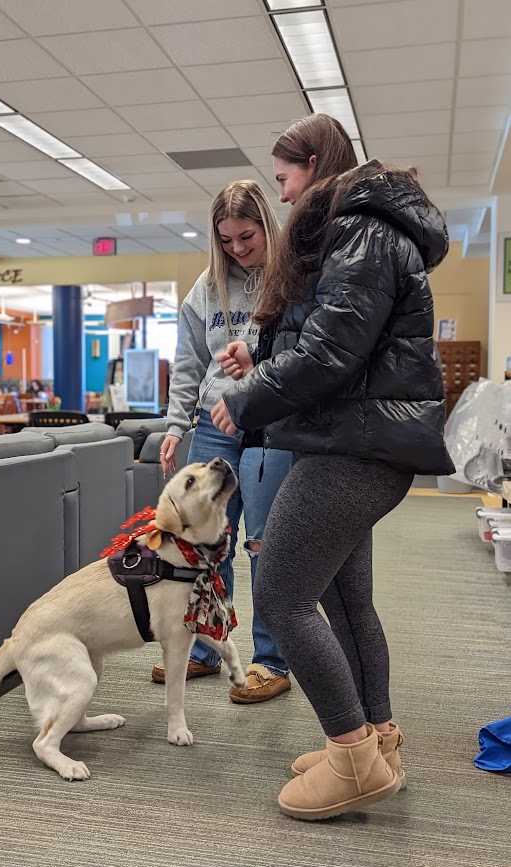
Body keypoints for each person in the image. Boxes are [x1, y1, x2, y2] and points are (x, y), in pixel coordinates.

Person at [212, 114, 454, 819]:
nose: (282, 195)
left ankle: (351, 760)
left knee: (281, 595)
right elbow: (334, 337)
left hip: (356, 445)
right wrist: (259, 356)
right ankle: (376, 742)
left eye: (284, 178)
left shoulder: (361, 230)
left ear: (314, 162)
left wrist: (247, 398)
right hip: (353, 439)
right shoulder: (357, 228)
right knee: (345, 602)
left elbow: (331, 353)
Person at [153, 180, 294, 704]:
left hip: (270, 424)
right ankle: (208, 648)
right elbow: (188, 360)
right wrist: (175, 426)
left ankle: (271, 660)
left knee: (264, 543)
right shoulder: (207, 287)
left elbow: (307, 354)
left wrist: (260, 370)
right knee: (206, 542)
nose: (237, 248)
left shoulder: (292, 278)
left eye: (247, 236)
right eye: (226, 239)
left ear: (267, 227)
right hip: (215, 424)